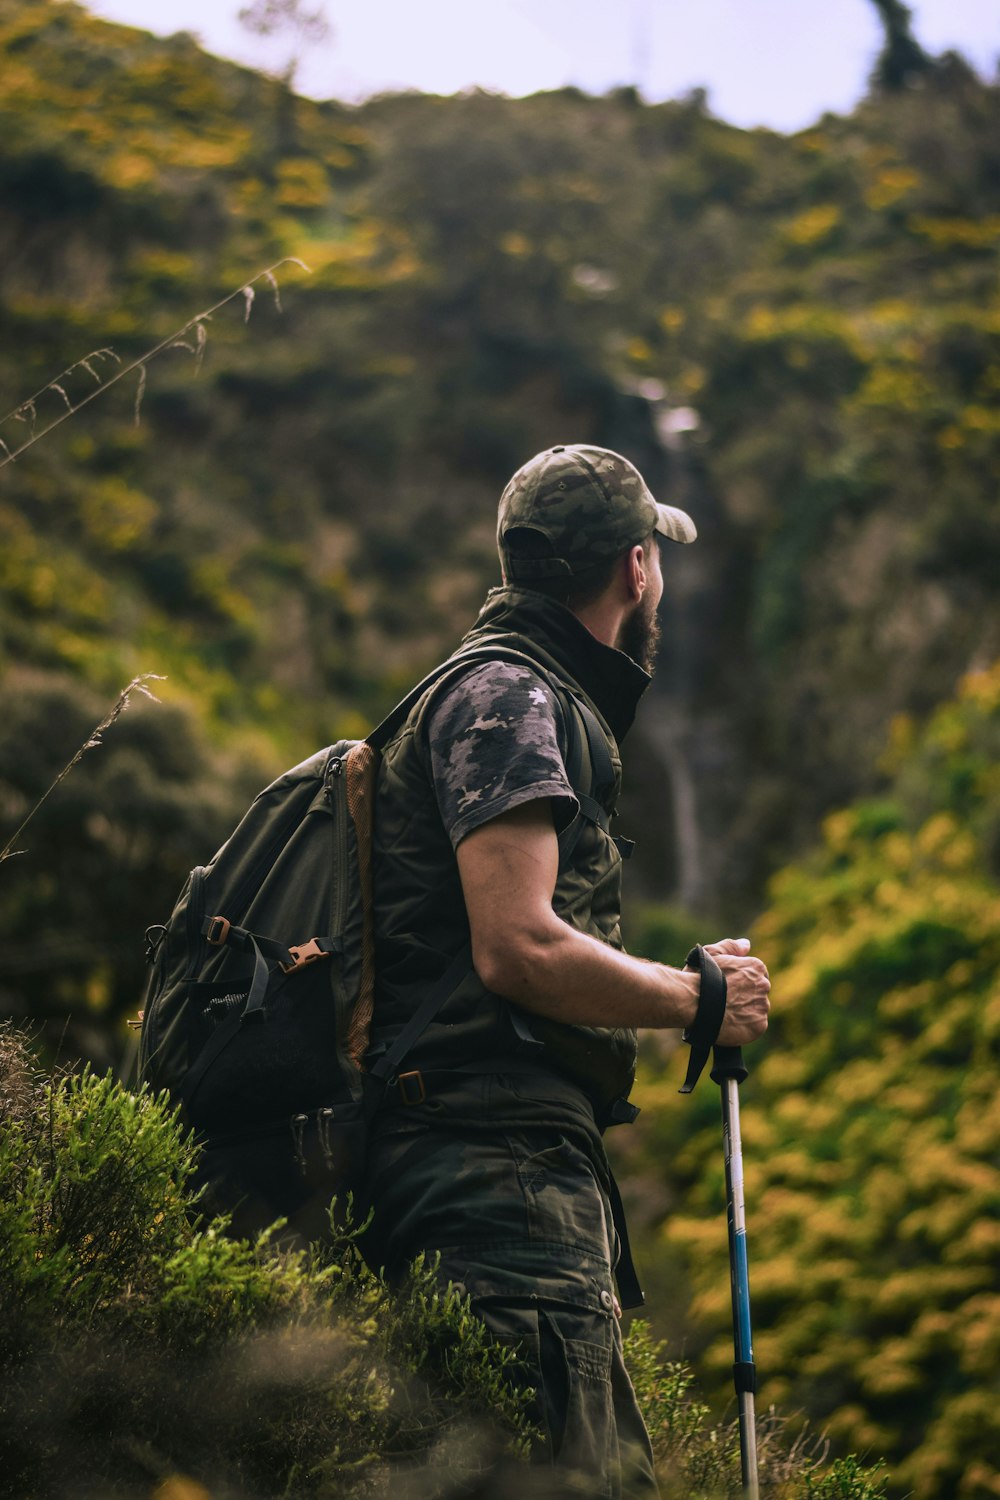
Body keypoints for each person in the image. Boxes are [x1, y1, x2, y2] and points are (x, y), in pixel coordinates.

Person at [362, 444, 771, 1497]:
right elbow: (520, 949)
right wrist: (696, 1000)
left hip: (488, 1173)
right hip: (493, 1184)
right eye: (655, 561)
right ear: (637, 569)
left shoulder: (498, 690)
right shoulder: (511, 699)